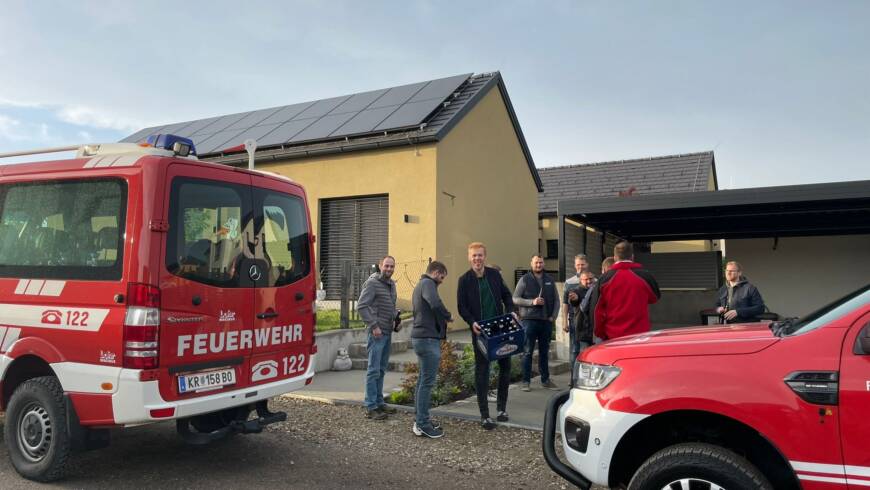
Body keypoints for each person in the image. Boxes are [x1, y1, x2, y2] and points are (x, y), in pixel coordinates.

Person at [457, 242, 515, 430]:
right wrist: (471, 321)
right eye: (474, 255)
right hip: (480, 331)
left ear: (485, 257)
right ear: (469, 257)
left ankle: (501, 409)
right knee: (482, 371)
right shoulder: (464, 280)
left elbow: (507, 296)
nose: (477, 259)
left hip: (500, 328)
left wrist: (511, 311)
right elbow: (461, 307)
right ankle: (484, 415)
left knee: (505, 367)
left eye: (480, 255)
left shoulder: (495, 275)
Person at [410, 260, 453, 439]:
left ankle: (420, 420)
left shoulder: (421, 284)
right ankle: (422, 424)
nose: (441, 281)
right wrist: (447, 316)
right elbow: (434, 303)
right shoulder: (428, 283)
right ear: (435, 272)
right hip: (427, 339)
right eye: (442, 277)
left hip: (421, 337)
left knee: (422, 382)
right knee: (427, 383)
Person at [590, 242, 660, 341]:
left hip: (612, 336)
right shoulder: (645, 276)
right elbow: (655, 298)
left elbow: (596, 310)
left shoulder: (604, 279)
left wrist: (600, 333)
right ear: (632, 257)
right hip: (640, 336)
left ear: (614, 258)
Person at [357, 256, 399, 420]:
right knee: (373, 370)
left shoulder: (391, 284)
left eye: (392, 266)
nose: (389, 269)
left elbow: (390, 306)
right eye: (386, 266)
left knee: (381, 369)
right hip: (377, 333)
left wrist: (396, 318)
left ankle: (379, 402)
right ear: (380, 266)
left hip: (387, 331)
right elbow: (362, 306)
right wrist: (373, 326)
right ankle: (371, 406)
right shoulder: (373, 283)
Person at [514, 255, 560, 391]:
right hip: (529, 321)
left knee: (544, 352)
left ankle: (545, 380)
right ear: (531, 264)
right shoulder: (524, 279)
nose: (538, 265)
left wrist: (554, 316)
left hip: (546, 321)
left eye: (540, 262)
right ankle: (525, 382)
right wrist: (531, 302)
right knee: (527, 352)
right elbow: (515, 298)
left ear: (544, 263)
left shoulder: (550, 280)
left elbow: (557, 300)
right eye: (536, 263)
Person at [566, 270, 596, 371]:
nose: (588, 281)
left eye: (590, 279)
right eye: (585, 279)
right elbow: (573, 300)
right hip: (583, 330)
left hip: (595, 331)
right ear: (580, 280)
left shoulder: (596, 289)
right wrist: (574, 299)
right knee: (583, 357)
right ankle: (574, 380)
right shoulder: (576, 290)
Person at [580, 257, 614, 344]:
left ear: (603, 270)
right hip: (618, 331)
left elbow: (583, 306)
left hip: (600, 331)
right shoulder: (623, 283)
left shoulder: (596, 286)